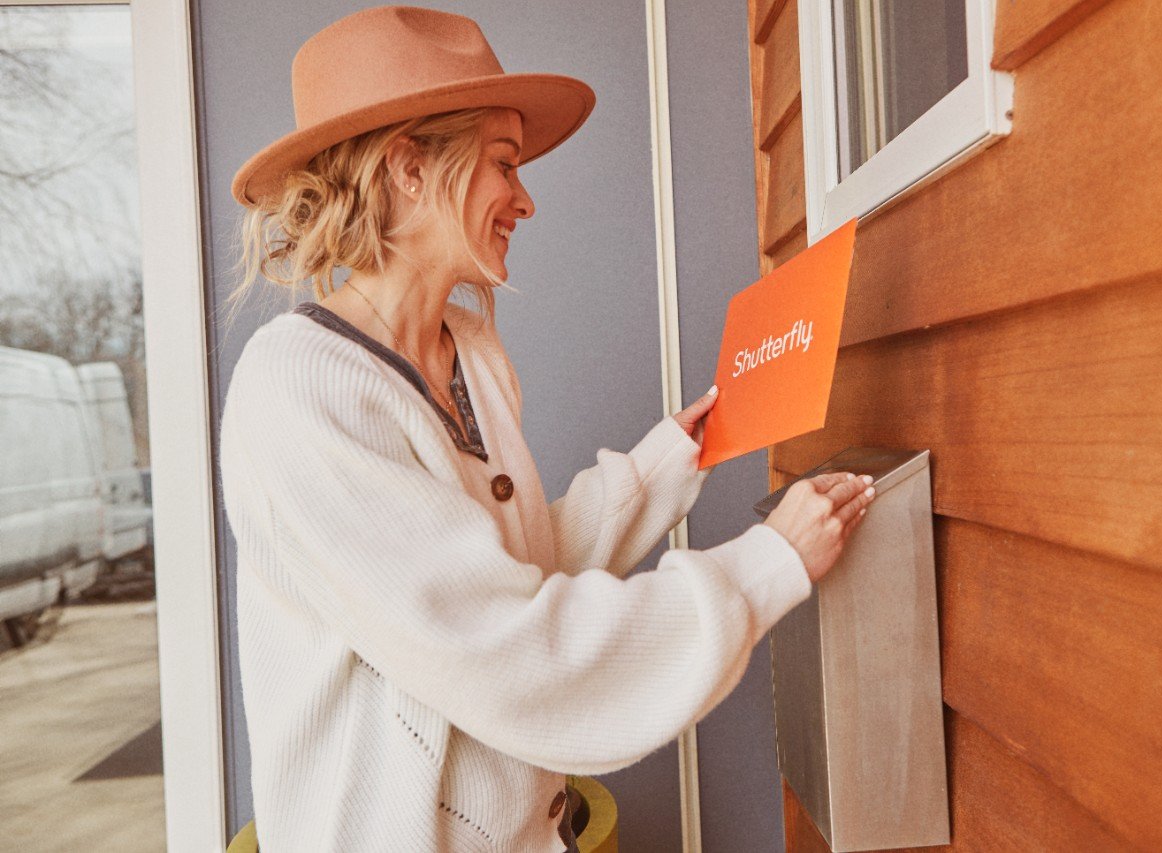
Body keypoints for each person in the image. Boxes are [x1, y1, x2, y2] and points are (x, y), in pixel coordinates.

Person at [219, 6, 876, 852]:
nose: (524, 200)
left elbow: (506, 566)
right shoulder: (301, 389)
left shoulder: (472, 353)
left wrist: (666, 463)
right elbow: (506, 651)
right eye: (504, 163)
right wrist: (765, 566)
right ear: (410, 168)